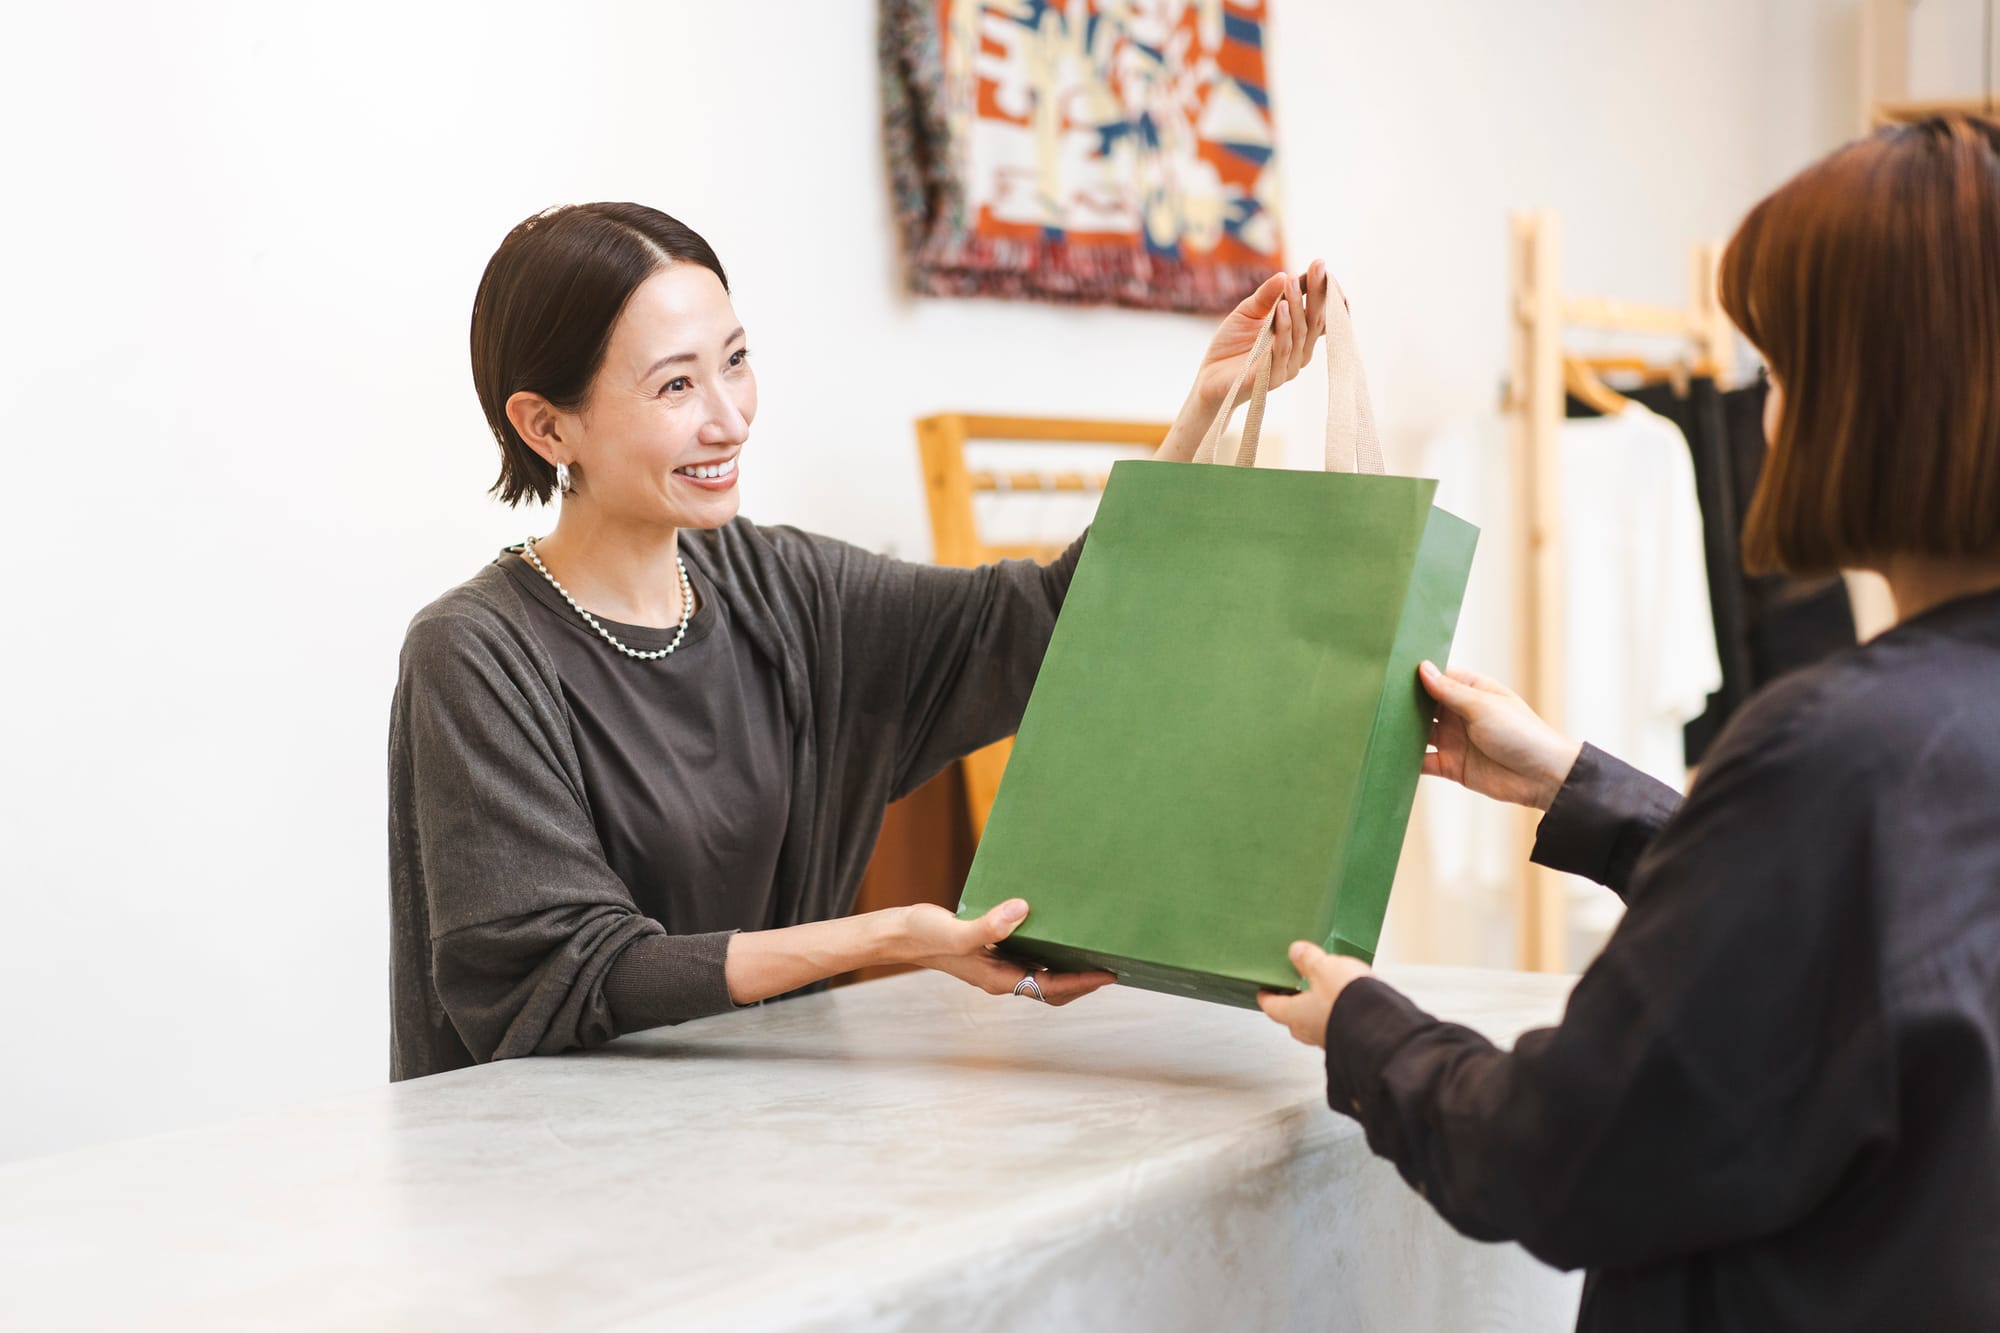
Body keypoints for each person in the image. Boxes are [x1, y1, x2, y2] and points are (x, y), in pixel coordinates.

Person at [1259, 116, 2000, 1329]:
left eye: (1786, 376)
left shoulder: (1835, 751)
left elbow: (1553, 1155)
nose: (1762, 423)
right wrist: (1583, 790)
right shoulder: (1900, 747)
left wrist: (1363, 1026)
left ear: (1875, 404)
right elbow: (1853, 942)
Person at [390, 200, 1334, 1080]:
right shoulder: (473, 655)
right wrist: (893, 940)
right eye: (676, 384)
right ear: (546, 425)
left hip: (764, 1143)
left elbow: (1047, 628)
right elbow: (570, 976)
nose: (729, 416)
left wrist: (1206, 404)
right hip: (555, 1187)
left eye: (735, 359)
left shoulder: (785, 592)